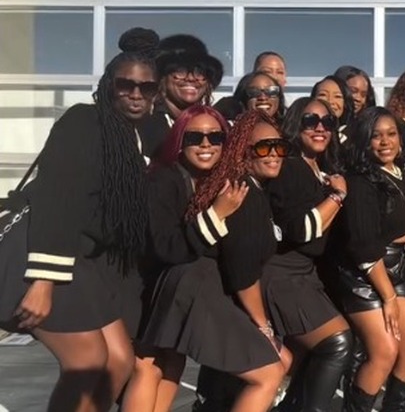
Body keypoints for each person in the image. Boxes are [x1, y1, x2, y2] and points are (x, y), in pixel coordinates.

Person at [2, 27, 159, 412]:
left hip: (79, 260)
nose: (136, 94)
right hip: (41, 252)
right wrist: (42, 281)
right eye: (125, 85)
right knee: (86, 363)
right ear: (109, 85)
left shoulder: (130, 138)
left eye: (146, 87)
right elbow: (60, 201)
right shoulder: (83, 121)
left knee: (119, 360)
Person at [125, 106, 289, 412]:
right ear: (178, 140)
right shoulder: (164, 180)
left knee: (166, 365)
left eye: (215, 137)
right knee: (268, 372)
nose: (206, 144)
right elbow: (168, 248)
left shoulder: (215, 181)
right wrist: (218, 214)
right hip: (171, 286)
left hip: (185, 286)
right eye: (195, 137)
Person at [335, 106, 405, 412]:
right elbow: (362, 246)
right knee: (385, 351)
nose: (385, 142)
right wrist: (387, 296)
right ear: (363, 141)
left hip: (399, 267)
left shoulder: (404, 170)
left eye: (391, 134)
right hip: (366, 272)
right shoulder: (360, 181)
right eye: (376, 136)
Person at [267, 97, 354, 412]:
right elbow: (302, 231)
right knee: (336, 342)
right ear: (293, 125)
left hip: (306, 274)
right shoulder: (290, 166)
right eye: (309, 121)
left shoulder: (320, 168)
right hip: (283, 274)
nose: (320, 127)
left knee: (304, 356)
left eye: (327, 122)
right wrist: (338, 196)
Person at [139, 34, 223, 159]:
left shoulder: (219, 127)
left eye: (199, 72)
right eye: (180, 71)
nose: (190, 78)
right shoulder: (143, 129)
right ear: (161, 78)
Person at [311, 75, 355, 144]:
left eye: (337, 96)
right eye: (323, 95)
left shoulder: (354, 138)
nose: (330, 101)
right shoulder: (306, 132)